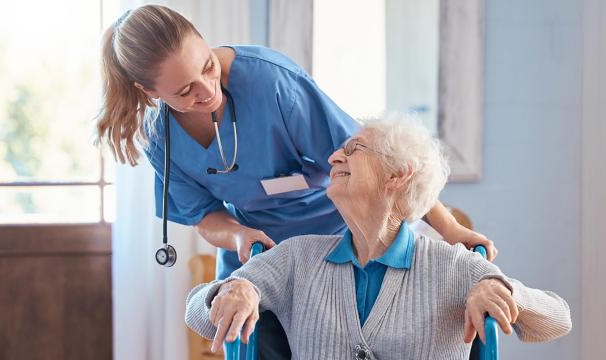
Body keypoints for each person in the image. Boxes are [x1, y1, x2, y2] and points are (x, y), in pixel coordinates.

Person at [95, 5, 497, 358]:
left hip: (342, 241)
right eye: (185, 91)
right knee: (253, 337)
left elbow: (375, 160)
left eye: (208, 67)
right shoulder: (158, 135)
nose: (207, 91)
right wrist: (238, 236)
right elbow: (203, 215)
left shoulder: (271, 83)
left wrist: (450, 228)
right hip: (262, 255)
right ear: (148, 91)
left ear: (204, 40)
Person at [185, 113, 572, 359]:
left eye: (353, 150)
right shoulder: (297, 257)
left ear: (397, 175)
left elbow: (557, 319)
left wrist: (502, 291)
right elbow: (197, 313)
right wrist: (231, 290)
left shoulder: (451, 266)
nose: (334, 158)